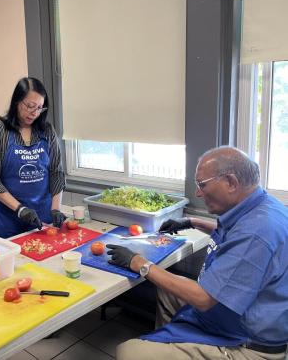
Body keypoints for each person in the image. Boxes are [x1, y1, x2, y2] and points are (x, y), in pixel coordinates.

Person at [108, 146, 288, 360]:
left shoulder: (257, 232)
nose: (197, 193)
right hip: (242, 315)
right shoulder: (265, 207)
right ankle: (170, 344)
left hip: (247, 343)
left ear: (230, 182)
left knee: (128, 352)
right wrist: (191, 222)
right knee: (168, 289)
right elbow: (236, 236)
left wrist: (139, 263)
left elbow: (204, 299)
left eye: (202, 184)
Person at [0, 77, 66, 238]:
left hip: (43, 221)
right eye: (30, 106)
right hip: (10, 222)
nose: (34, 113)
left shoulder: (47, 131)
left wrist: (56, 208)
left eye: (39, 108)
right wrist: (20, 209)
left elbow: (56, 172)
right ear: (17, 102)